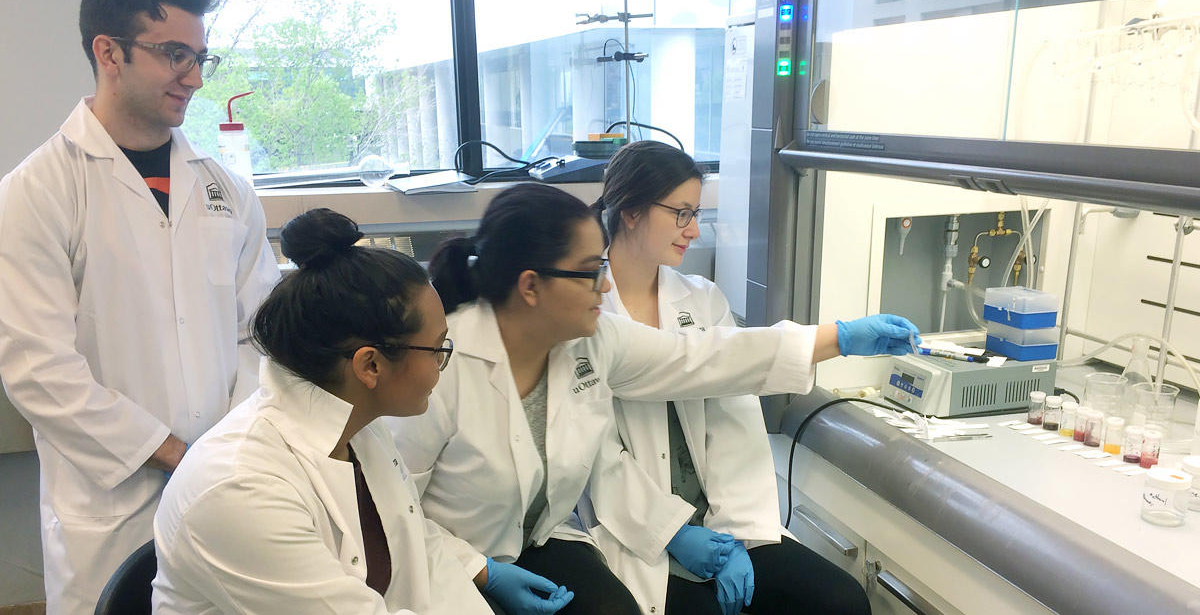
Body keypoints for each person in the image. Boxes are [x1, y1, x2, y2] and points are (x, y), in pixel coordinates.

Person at [391, 182, 916, 614]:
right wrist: (479, 571)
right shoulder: (442, 366)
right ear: (530, 286)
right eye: (590, 271)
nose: (604, 286)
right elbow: (391, 513)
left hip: (539, 542)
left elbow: (702, 356)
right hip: (445, 559)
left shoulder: (592, 341)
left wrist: (836, 337)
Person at [0, 0, 279, 611]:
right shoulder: (37, 192)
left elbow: (260, 333)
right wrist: (175, 454)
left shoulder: (226, 191)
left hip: (224, 482)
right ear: (110, 53)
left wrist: (223, 451)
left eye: (202, 57)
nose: (196, 78)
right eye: (175, 54)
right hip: (112, 499)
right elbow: (39, 370)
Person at [152, 209, 496, 614]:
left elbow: (414, 545)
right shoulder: (239, 487)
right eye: (437, 347)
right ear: (370, 366)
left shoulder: (357, 423)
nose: (443, 360)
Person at [589, 140, 873, 615]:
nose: (694, 230)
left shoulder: (701, 300)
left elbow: (733, 423)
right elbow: (593, 452)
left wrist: (735, 535)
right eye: (682, 213)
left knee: (840, 601)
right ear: (632, 211)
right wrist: (673, 531)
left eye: (696, 213)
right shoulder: (587, 310)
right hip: (636, 530)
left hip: (724, 523)